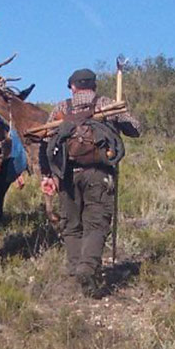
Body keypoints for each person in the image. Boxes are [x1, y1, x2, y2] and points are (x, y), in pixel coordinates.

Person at [40, 68, 140, 297]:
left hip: (66, 174)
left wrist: (47, 175)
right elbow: (135, 129)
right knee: (96, 224)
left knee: (71, 225)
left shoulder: (61, 109)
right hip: (99, 173)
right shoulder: (106, 104)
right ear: (93, 86)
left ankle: (78, 271)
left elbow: (46, 143)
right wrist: (119, 117)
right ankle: (88, 268)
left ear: (72, 87)